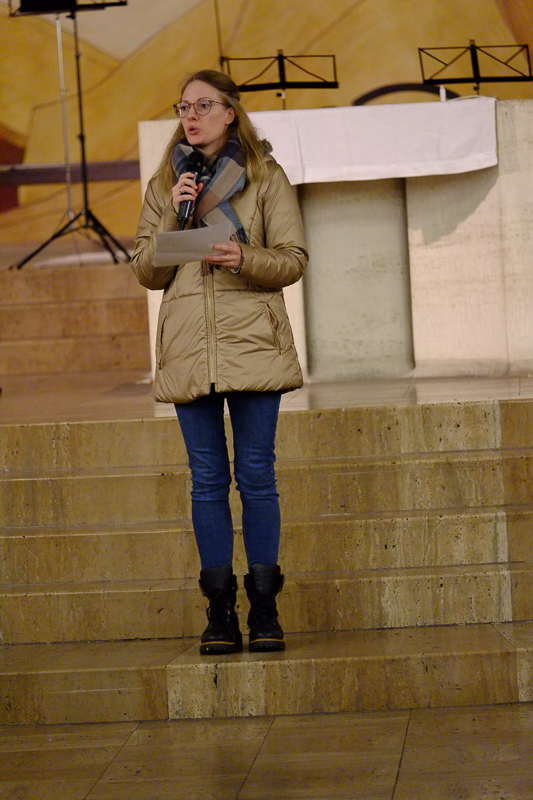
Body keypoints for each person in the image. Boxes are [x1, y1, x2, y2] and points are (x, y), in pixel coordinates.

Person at [131, 69, 308, 656]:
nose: (191, 116)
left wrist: (242, 257)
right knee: (207, 480)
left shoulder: (264, 177)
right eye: (184, 107)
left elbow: (292, 259)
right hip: (189, 348)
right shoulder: (165, 184)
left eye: (203, 105)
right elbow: (146, 270)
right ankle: (219, 612)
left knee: (256, 475)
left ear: (231, 112)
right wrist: (171, 214)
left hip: (251, 341)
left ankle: (265, 607)